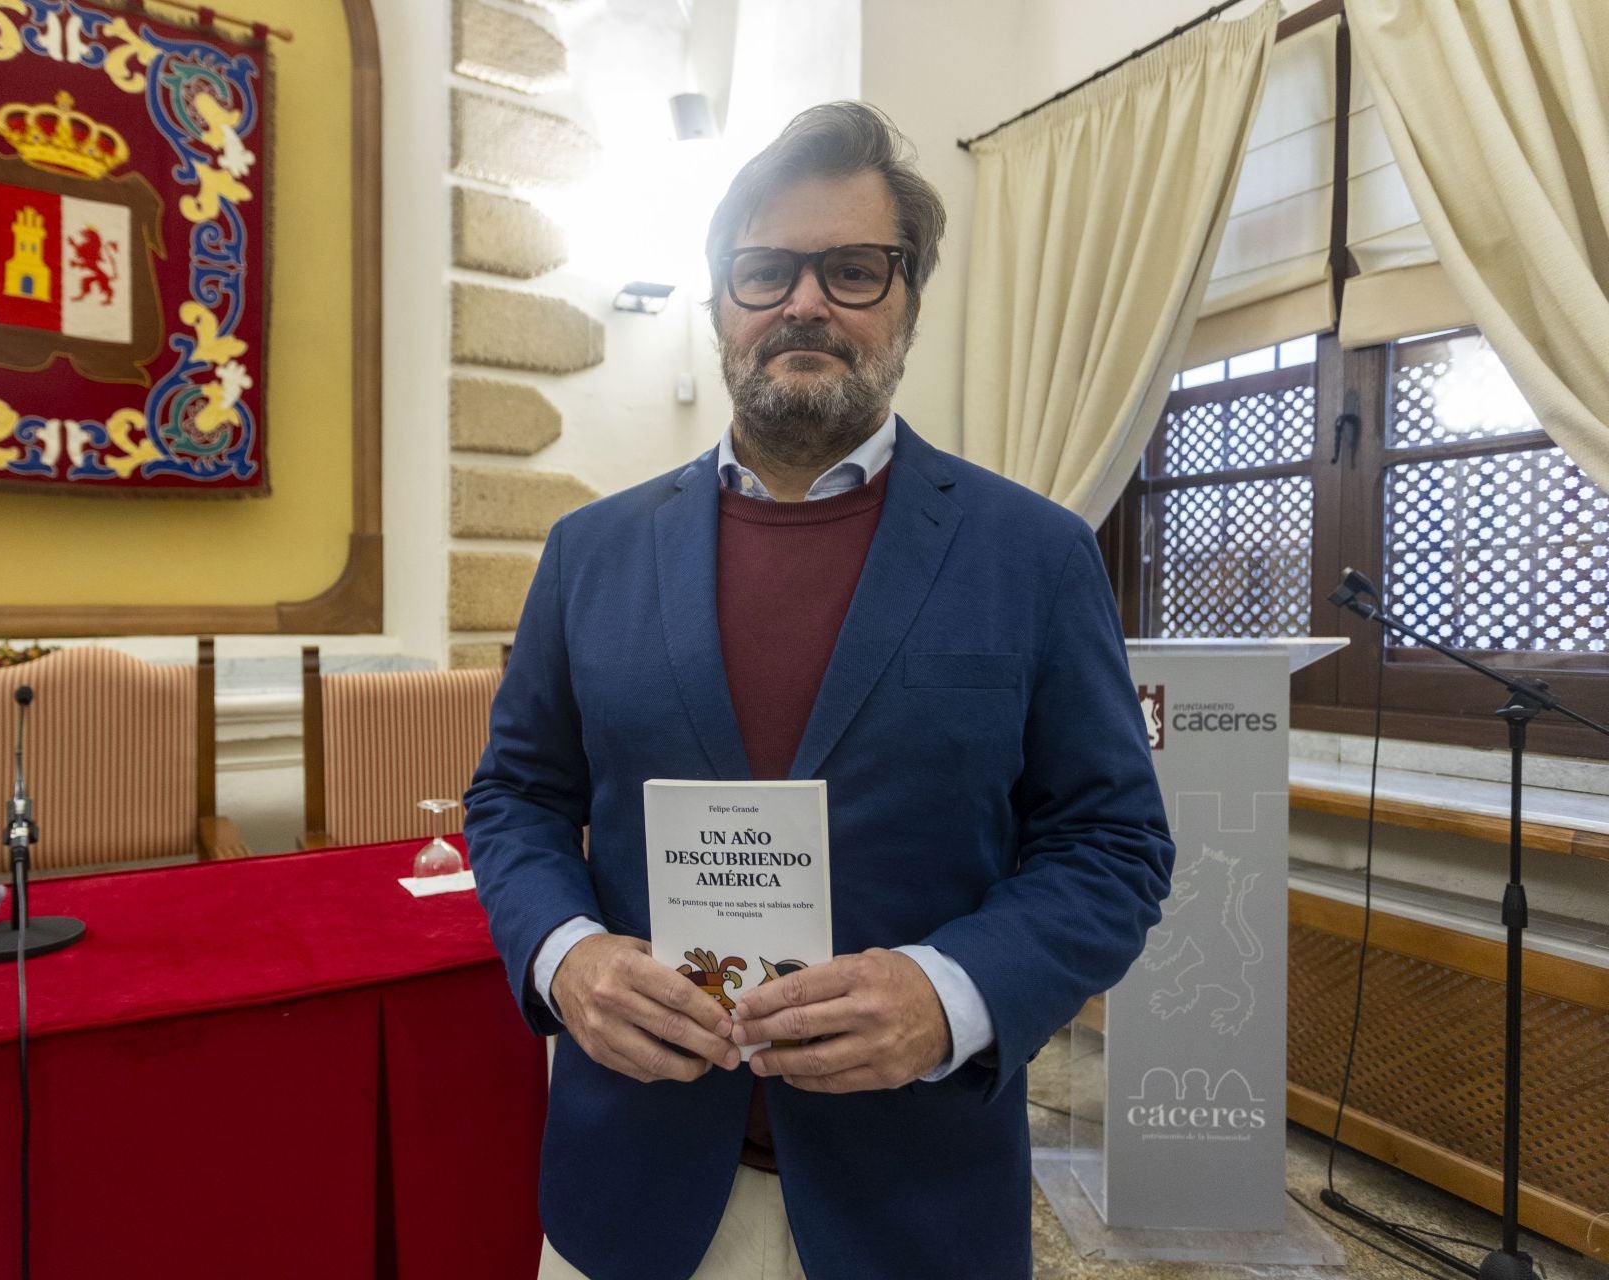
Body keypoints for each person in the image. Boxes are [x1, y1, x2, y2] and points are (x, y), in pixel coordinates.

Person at [465, 101, 1174, 1280]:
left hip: (918, 1194)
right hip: (636, 1187)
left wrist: (948, 995)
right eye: (765, 270)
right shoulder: (589, 550)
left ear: (906, 303)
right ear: (718, 308)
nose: (805, 301)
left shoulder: (1032, 553)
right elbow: (517, 798)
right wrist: (565, 956)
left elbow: (1112, 842)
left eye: (852, 269)